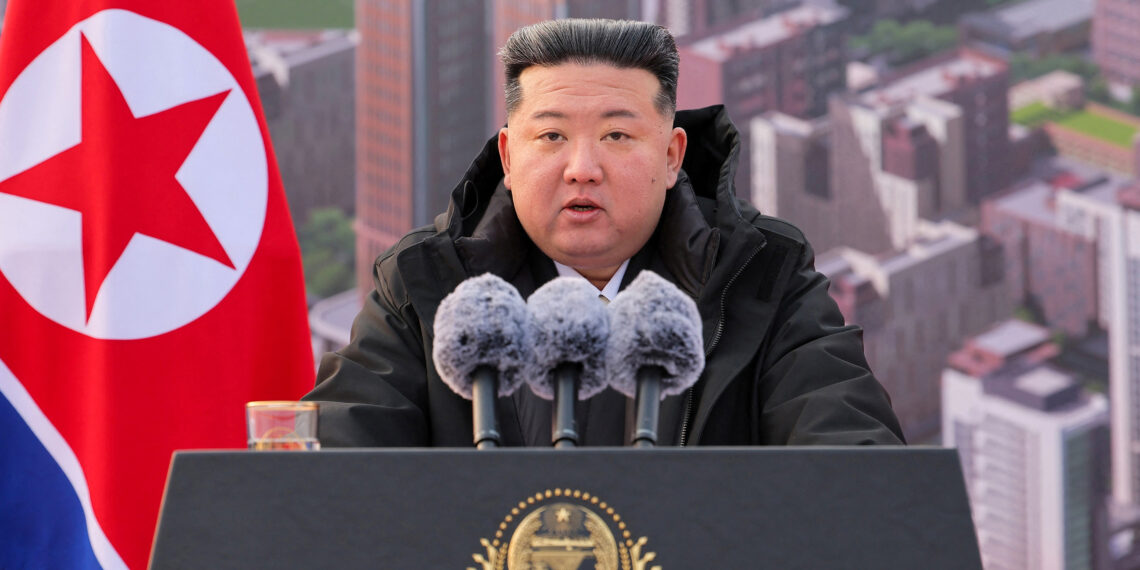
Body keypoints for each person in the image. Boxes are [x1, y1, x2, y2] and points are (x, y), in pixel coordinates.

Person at [303, 18, 905, 447]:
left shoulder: (763, 275)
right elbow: (333, 471)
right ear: (509, 158)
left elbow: (853, 461)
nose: (582, 167)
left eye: (617, 135)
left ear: (672, 156)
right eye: (552, 136)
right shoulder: (426, 284)